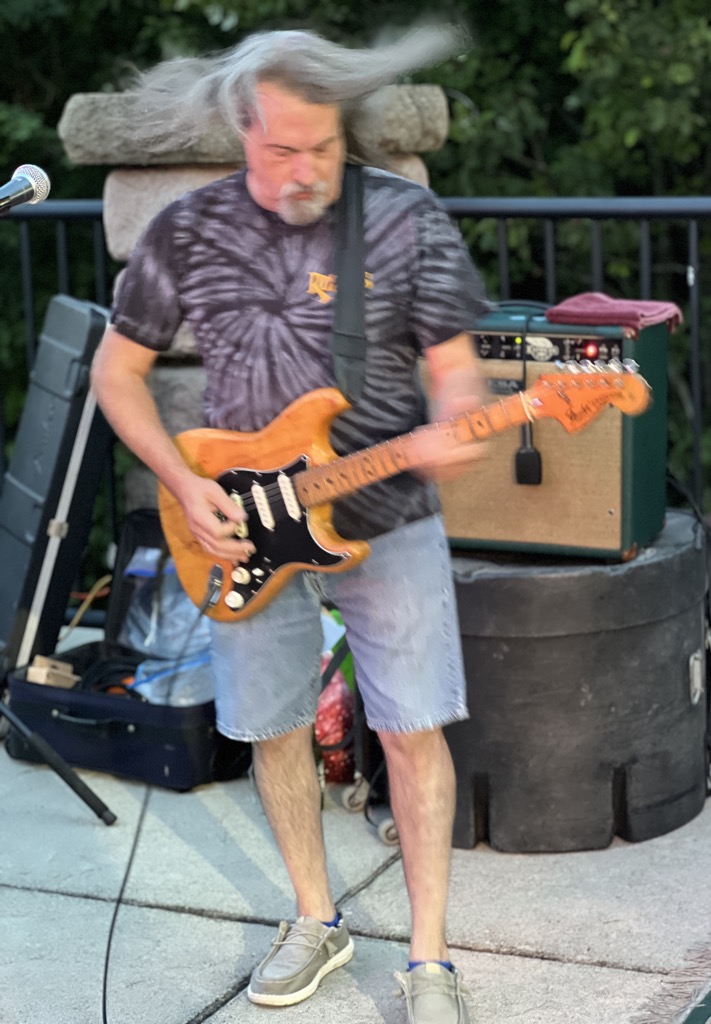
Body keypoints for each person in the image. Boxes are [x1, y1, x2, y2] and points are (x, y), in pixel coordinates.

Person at [91, 24, 490, 1024]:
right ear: (241, 128)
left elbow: (456, 367)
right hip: (237, 521)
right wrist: (184, 488)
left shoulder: (404, 220)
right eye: (282, 148)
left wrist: (454, 424)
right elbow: (116, 373)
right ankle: (315, 917)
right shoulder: (188, 229)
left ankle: (430, 959)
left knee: (409, 731)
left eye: (324, 145)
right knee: (273, 730)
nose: (306, 167)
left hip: (387, 509)